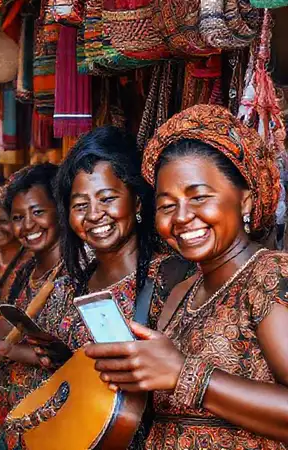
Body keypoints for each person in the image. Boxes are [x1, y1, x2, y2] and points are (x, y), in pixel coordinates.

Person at [85, 105, 288, 448]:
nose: (181, 217)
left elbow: (182, 376)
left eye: (199, 197)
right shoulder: (181, 291)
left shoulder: (269, 275)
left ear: (246, 202)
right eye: (166, 205)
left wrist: (185, 374)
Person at [17, 127, 192, 448]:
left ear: (137, 201)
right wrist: (64, 359)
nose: (95, 215)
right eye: (80, 204)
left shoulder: (173, 278)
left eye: (108, 198)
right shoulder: (68, 286)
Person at [0, 164, 65, 449]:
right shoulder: (27, 273)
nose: (28, 225)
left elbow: (74, 356)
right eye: (18, 217)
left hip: (46, 418)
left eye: (38, 212)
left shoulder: (76, 274)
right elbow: (23, 330)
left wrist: (15, 352)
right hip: (10, 412)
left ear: (59, 210)